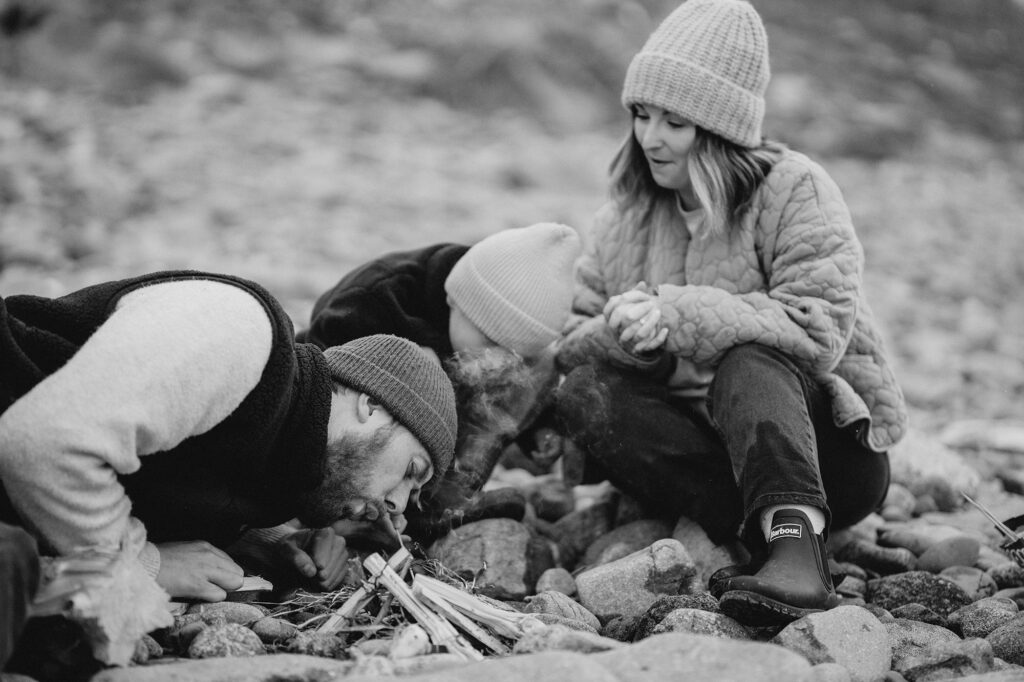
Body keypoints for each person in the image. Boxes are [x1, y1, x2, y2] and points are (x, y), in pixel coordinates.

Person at [553, 0, 908, 626]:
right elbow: (571, 340)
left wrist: (680, 313)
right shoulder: (624, 217)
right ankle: (755, 536)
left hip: (826, 460)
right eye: (641, 114)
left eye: (675, 122)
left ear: (718, 130)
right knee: (584, 392)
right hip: (708, 462)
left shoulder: (795, 189)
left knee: (749, 359)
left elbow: (815, 323)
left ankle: (797, 553)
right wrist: (632, 343)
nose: (650, 138)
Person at [0, 270, 457, 665]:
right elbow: (41, 442)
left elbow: (163, 476)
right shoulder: (241, 335)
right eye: (411, 470)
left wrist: (261, 543)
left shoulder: (275, 464)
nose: (395, 504)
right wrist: (141, 563)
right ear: (371, 404)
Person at [298, 223, 582, 537]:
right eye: (490, 341)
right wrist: (418, 362)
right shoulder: (380, 296)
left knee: (521, 380)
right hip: (354, 435)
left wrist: (540, 429)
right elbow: (325, 365)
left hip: (424, 445)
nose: (497, 358)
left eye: (514, 354)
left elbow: (525, 376)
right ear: (458, 303)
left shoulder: (484, 338)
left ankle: (439, 502)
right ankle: (360, 506)